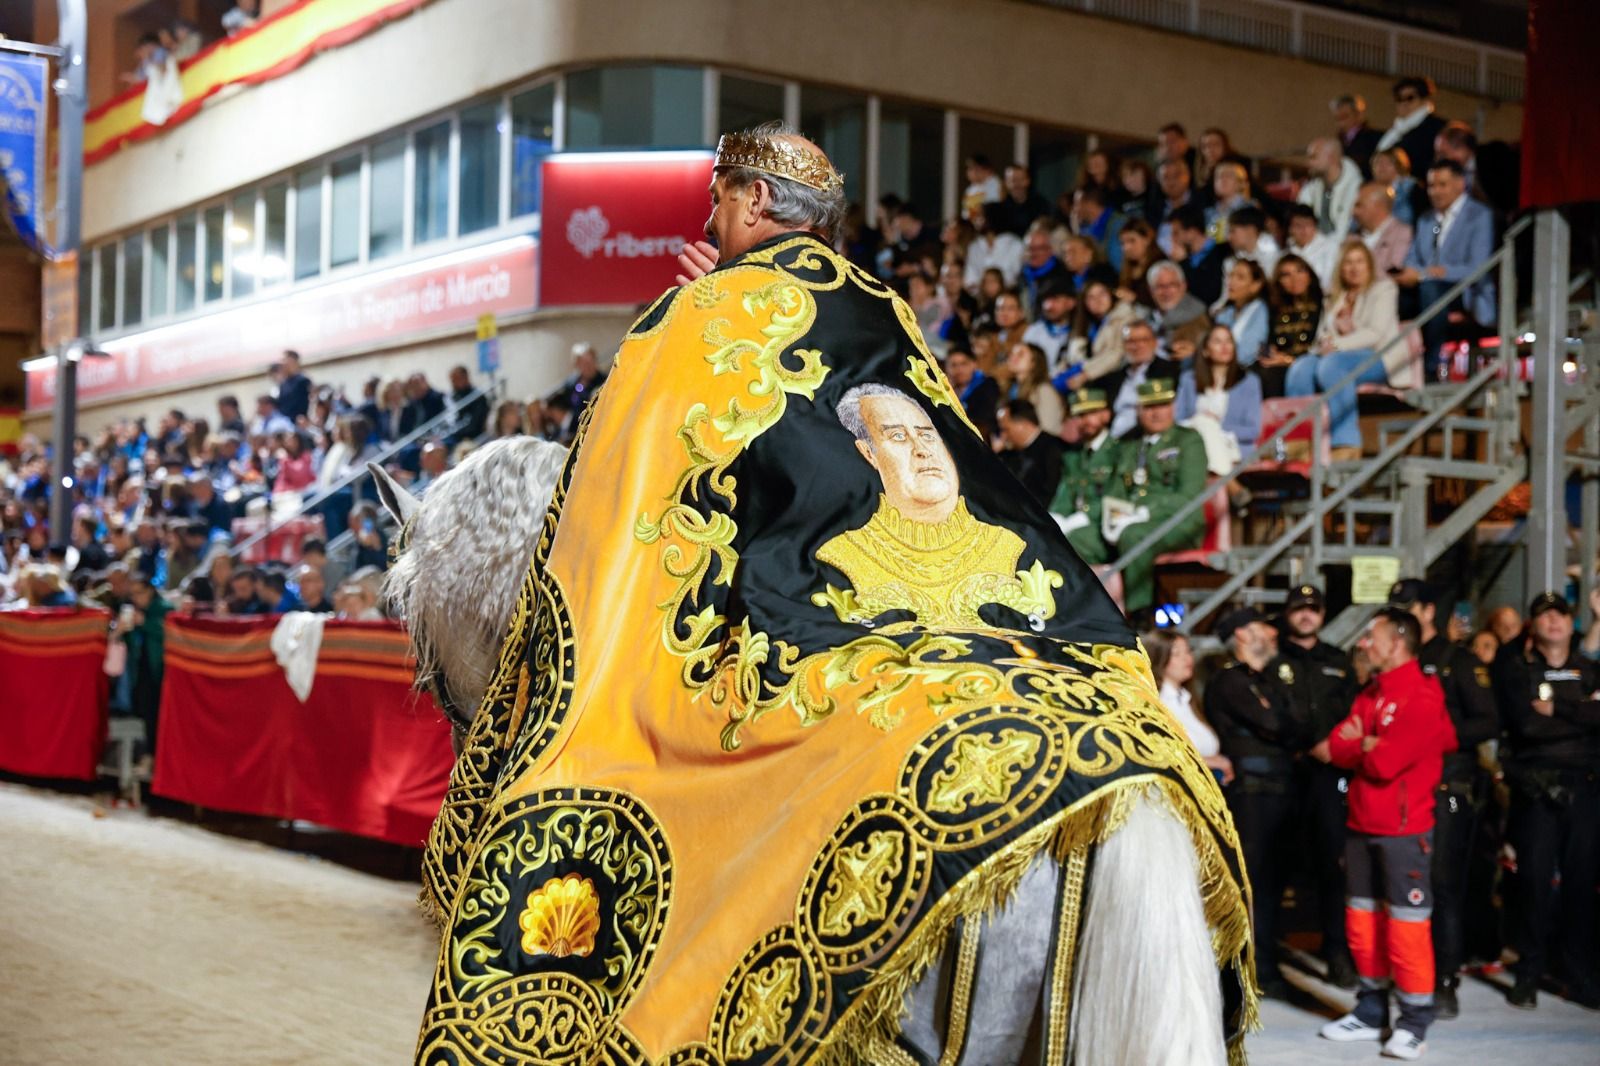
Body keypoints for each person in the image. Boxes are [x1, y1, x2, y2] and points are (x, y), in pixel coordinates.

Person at [474, 122, 1250, 1065]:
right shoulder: (885, 305)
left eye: (718, 198)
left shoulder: (694, 313)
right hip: (986, 596)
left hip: (823, 598)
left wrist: (682, 319)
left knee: (653, 738)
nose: (711, 216)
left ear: (752, 205)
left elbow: (629, 492)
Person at [1319, 608, 1455, 1060]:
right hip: (1360, 825)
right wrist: (1365, 743)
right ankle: (1372, 1009)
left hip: (1404, 830)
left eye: (1371, 637)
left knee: (1406, 927)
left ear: (1397, 643)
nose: (1363, 644)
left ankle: (1414, 1021)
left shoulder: (1422, 695)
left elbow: (1384, 763)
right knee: (1362, 924)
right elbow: (1336, 748)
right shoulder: (1372, 692)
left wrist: (1365, 746)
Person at [1385, 580, 1502, 1018]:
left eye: (1407, 610)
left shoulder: (1457, 661)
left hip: (1448, 788)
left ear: (1429, 611)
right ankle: (1412, 975)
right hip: (1401, 789)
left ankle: (1445, 980)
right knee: (1407, 886)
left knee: (1443, 884)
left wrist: (1435, 738)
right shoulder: (1398, 663)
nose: (1399, 620)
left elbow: (1487, 721)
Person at [1491, 591, 1600, 1010]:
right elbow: (1526, 726)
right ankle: (1529, 973)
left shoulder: (1589, 666)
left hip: (1584, 790)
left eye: (1561, 614)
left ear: (1572, 624)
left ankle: (1578, 971)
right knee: (1533, 884)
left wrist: (1556, 708)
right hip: (1536, 791)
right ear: (1532, 626)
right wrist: (1581, 713)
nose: (1554, 621)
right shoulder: (1518, 668)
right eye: (1544, 615)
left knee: (1581, 886)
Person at [1207, 605, 1305, 999]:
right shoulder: (1229, 682)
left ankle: (1266, 961)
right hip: (1252, 794)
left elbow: (1295, 726)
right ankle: (1254, 968)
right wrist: (1277, 721)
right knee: (1253, 883)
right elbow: (1276, 725)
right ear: (1243, 635)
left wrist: (1279, 720)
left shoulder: (1268, 680)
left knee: (1274, 882)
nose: (1271, 631)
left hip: (1281, 788)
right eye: (1262, 626)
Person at [1280, 584, 1362, 990]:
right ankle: (1269, 955)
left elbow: (1354, 714)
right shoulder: (1274, 657)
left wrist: (1337, 746)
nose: (1307, 615)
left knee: (1333, 869)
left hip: (1329, 778)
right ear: (1288, 614)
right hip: (1285, 775)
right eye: (1299, 609)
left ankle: (1337, 954)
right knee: (1277, 869)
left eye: (1313, 608)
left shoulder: (1338, 660)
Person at [1288, 241, 1406, 457]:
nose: (1354, 268)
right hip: (1338, 355)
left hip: (1380, 355)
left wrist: (1336, 345)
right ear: (1340, 268)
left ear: (1369, 265)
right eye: (1348, 262)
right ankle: (1301, 438)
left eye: (1359, 261)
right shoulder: (1335, 296)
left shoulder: (1384, 289)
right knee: (1301, 367)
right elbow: (1324, 331)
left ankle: (1346, 442)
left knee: (1332, 366)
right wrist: (1326, 343)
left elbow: (1375, 333)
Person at [1396, 160, 1496, 380]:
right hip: (1425, 286)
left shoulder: (1479, 215)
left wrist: (1427, 274)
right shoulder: (1426, 219)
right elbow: (1413, 257)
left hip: (1466, 290)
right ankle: (1398, 364)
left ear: (1460, 184)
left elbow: (1478, 266)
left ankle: (1431, 365)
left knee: (1431, 290)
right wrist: (1412, 274)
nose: (1435, 191)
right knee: (1395, 293)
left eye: (1442, 185)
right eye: (1431, 186)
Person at [1147, 628, 1232, 784]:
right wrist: (1210, 762)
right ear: (1159, 658)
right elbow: (1158, 755)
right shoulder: (1155, 703)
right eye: (1177, 654)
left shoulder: (1187, 699)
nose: (1187, 659)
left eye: (1188, 651)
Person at [1175, 324, 1262, 475]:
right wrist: (1200, 422)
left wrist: (1215, 426)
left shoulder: (1249, 382)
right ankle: (1231, 486)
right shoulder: (1189, 380)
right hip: (1193, 442)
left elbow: (1252, 430)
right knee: (1202, 426)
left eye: (1229, 341)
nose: (1225, 346)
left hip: (1232, 446)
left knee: (1205, 428)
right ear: (1205, 350)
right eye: (1217, 341)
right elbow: (1177, 420)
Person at [1050, 388, 1118, 547]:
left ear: (1106, 415)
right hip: (1074, 524)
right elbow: (1064, 496)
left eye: (1092, 412)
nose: (1086, 420)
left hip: (1101, 525)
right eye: (1080, 415)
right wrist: (1056, 518)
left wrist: (1084, 517)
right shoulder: (1073, 457)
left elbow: (1116, 495)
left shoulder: (1119, 452)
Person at [1097, 319, 1179, 439]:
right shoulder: (1113, 378)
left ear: (1155, 343)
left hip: (1146, 436)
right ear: (1123, 345)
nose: (1138, 346)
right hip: (1111, 437)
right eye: (1131, 341)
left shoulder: (1170, 371)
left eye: (1144, 340)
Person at [1259, 253, 1323, 398]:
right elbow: (1266, 342)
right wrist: (1270, 354)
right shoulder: (1275, 308)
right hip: (1279, 363)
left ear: (1309, 274)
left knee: (1273, 377)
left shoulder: (1321, 302)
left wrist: (1288, 360)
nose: (1295, 279)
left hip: (1310, 363)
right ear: (1279, 281)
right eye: (1286, 274)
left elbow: (1319, 346)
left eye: (1300, 271)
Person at [123, 573, 172, 760]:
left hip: (159, 670)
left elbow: (169, 632)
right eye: (132, 594)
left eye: (139, 593)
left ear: (150, 590)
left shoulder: (164, 608)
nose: (136, 598)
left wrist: (145, 623)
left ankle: (155, 755)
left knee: (156, 714)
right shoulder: (132, 611)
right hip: (140, 669)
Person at [1065, 279, 1138, 385]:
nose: (1098, 300)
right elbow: (1070, 359)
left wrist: (1086, 374)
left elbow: (1117, 354)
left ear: (1110, 295)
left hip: (1112, 378)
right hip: (1084, 372)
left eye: (1102, 294)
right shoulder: (1085, 326)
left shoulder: (1125, 318)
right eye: (1091, 297)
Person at [996, 399, 1064, 505]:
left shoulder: (1055, 450)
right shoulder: (1007, 455)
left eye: (1006, 429)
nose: (1003, 436)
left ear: (1023, 425)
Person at [1377, 76, 1446, 180]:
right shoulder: (1395, 132)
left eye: (1410, 98)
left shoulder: (1439, 128)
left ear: (1424, 98)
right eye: (1399, 99)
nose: (1404, 103)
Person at [1145, 261, 1210, 366]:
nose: (1166, 292)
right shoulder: (1147, 321)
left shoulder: (1199, 320)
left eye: (1172, 285)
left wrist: (1196, 355)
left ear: (1183, 286)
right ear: (1150, 290)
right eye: (1160, 286)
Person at [1210, 257, 1269, 368]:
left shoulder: (1260, 311)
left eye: (1240, 277)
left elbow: (1249, 351)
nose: (1231, 282)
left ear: (1255, 285)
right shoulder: (1225, 313)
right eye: (1231, 276)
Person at [1297, 138, 1364, 237]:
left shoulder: (1358, 190)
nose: (1308, 163)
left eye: (1313, 157)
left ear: (1332, 158)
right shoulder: (1309, 190)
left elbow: (1347, 232)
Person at [1169, 204, 1227, 308]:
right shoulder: (1185, 257)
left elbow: (1208, 294)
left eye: (1176, 233)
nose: (1172, 239)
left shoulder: (1221, 254)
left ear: (1191, 232)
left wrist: (1183, 263)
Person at [1001, 342, 1065, 436]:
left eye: (1020, 354)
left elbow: (1049, 430)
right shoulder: (1009, 390)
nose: (1012, 358)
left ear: (1034, 363)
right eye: (1011, 354)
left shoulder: (1044, 391)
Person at [1353, 181, 1414, 279]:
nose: (1353, 211)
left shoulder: (1402, 234)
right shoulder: (1352, 238)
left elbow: (1394, 271)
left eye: (1359, 205)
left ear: (1377, 206)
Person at [1021, 277, 1077, 375]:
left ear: (1070, 303)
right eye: (1046, 300)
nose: (1049, 306)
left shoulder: (1081, 330)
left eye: (1055, 299)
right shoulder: (1034, 331)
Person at [942, 345, 999, 440]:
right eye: (953, 365)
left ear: (974, 364)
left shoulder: (987, 385)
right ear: (946, 368)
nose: (959, 370)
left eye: (964, 364)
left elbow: (984, 421)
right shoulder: (945, 391)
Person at [963, 201, 1023, 289]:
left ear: (992, 217)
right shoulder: (974, 247)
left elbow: (1016, 278)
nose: (975, 220)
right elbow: (970, 279)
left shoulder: (1015, 245)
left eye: (980, 216)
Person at [1284, 203, 1339, 292]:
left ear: (1315, 226)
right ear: (1290, 229)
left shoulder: (1330, 247)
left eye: (1308, 224)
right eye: (1298, 226)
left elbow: (1327, 281)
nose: (1304, 230)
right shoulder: (1287, 251)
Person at [993, 161, 1049, 237]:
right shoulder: (999, 209)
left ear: (1028, 181)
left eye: (1020, 180)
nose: (1016, 184)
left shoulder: (1041, 205)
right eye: (1012, 180)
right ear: (1006, 183)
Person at [1332, 93, 1383, 175]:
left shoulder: (1374, 138)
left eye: (1344, 116)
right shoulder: (1338, 142)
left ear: (1359, 115)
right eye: (1337, 118)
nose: (1341, 123)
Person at [445, 365, 489, 445]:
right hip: (454, 433)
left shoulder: (476, 397)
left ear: (465, 378)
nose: (453, 383)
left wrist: (455, 433)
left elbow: (474, 423)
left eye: (456, 379)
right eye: (452, 380)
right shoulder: (452, 397)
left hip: (470, 437)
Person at [273, 350, 311, 423]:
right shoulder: (283, 384)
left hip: (299, 422)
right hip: (285, 422)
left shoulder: (303, 381)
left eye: (285, 360)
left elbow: (306, 405)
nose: (282, 363)